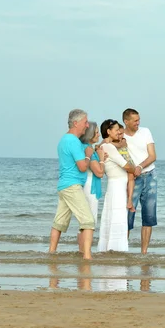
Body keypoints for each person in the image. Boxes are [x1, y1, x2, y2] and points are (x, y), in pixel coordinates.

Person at [49, 109, 96, 260]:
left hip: (63, 186)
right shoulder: (73, 141)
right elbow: (82, 166)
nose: (87, 125)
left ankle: (51, 253)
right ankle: (87, 256)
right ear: (76, 123)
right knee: (88, 221)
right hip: (72, 186)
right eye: (85, 122)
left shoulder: (64, 140)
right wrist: (88, 155)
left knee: (59, 222)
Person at [97, 119, 136, 252]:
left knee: (114, 217)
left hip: (116, 186)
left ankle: (111, 250)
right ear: (108, 132)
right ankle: (116, 250)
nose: (119, 132)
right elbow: (125, 165)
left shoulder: (107, 146)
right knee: (118, 217)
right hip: (117, 187)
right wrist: (134, 168)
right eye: (116, 130)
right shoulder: (108, 147)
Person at [122, 108, 157, 255]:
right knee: (128, 217)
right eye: (135, 120)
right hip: (131, 179)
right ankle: (123, 251)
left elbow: (152, 155)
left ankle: (144, 253)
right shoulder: (121, 136)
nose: (138, 123)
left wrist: (140, 166)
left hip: (149, 176)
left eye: (139, 120)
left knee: (149, 216)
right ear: (126, 121)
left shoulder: (145, 131)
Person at [78, 122, 106, 250]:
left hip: (86, 185)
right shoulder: (88, 150)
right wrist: (101, 159)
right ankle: (85, 252)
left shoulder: (87, 148)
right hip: (90, 187)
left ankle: (83, 251)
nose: (99, 134)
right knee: (90, 220)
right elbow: (99, 173)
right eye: (96, 132)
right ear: (90, 135)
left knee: (85, 221)